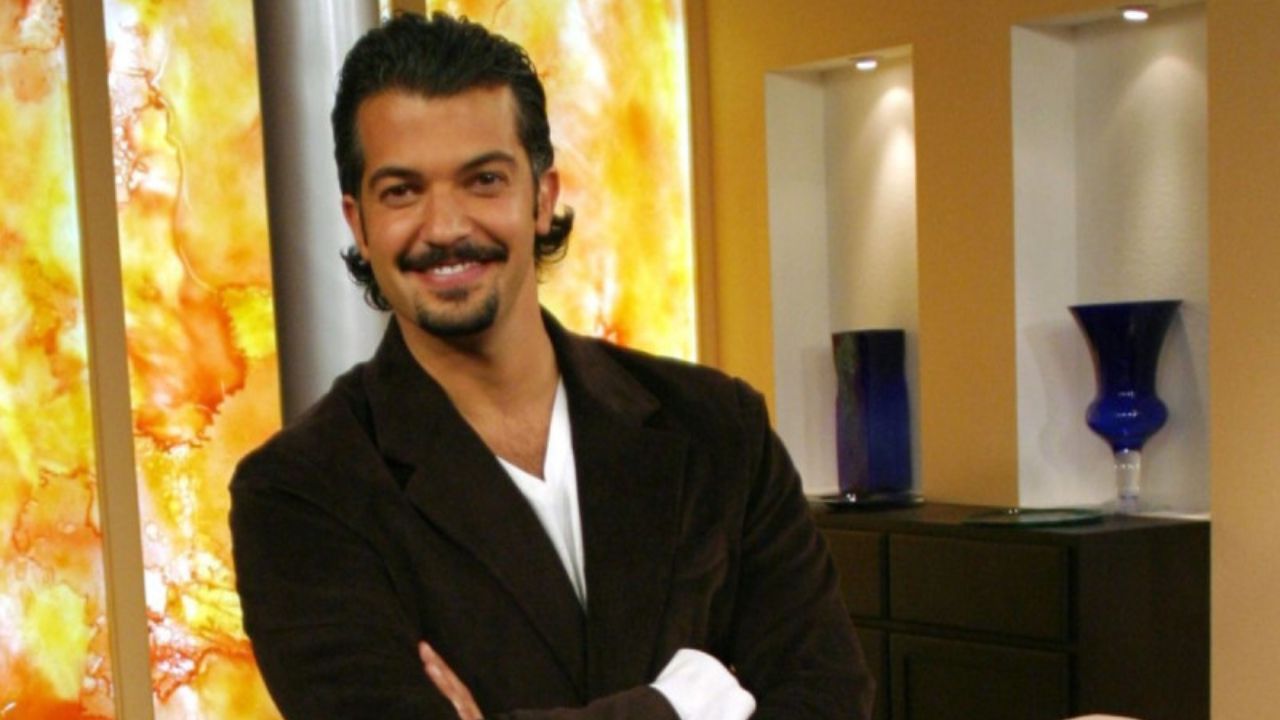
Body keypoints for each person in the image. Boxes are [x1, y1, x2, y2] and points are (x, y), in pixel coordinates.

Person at [230, 11, 872, 720]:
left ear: (542, 197)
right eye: (402, 191)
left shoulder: (721, 427)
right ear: (358, 223)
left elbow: (830, 700)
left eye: (483, 180)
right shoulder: (299, 492)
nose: (445, 227)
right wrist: (679, 706)